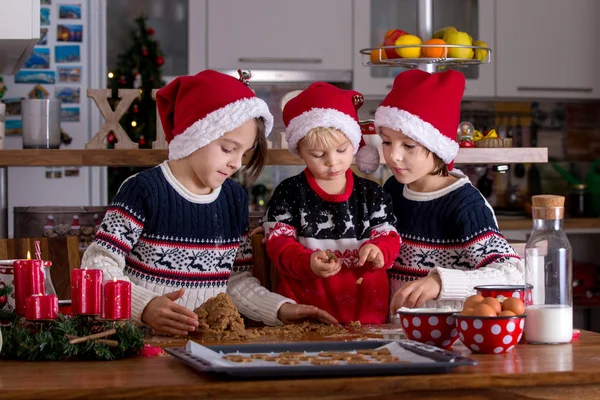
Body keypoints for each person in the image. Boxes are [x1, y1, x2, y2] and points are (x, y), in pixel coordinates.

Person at [81, 70, 337, 336]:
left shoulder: (233, 198)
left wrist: (280, 309)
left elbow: (236, 282)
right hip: (141, 340)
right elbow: (97, 265)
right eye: (228, 149)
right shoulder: (143, 190)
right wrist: (144, 306)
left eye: (244, 153)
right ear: (196, 134)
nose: (236, 163)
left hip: (209, 342)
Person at [374, 69, 524, 314]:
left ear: (437, 146)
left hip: (449, 338)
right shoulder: (393, 189)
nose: (393, 155)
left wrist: (440, 282)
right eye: (387, 142)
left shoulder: (465, 204)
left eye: (409, 146)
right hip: (397, 333)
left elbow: (510, 274)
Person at [262, 82, 400, 324]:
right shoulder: (289, 192)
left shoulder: (372, 194)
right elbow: (278, 244)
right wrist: (306, 261)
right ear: (300, 152)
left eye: (342, 150)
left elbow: (389, 236)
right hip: (306, 315)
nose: (332, 162)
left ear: (355, 144)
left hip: (367, 314)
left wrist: (380, 251)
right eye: (318, 155)